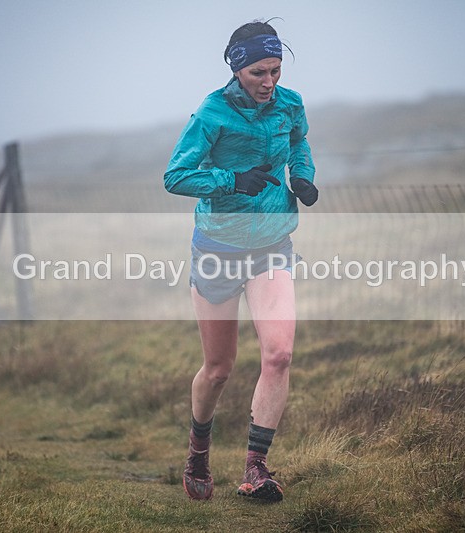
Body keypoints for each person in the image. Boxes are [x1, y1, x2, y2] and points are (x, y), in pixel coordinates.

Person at [164, 19, 317, 502]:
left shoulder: (290, 104)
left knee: (279, 354)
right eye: (258, 73)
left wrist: (302, 175)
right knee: (219, 368)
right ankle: (198, 453)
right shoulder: (212, 112)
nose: (269, 82)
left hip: (272, 244)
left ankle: (256, 468)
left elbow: (299, 142)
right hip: (218, 248)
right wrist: (232, 181)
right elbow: (176, 176)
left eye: (275, 70)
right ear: (237, 69)